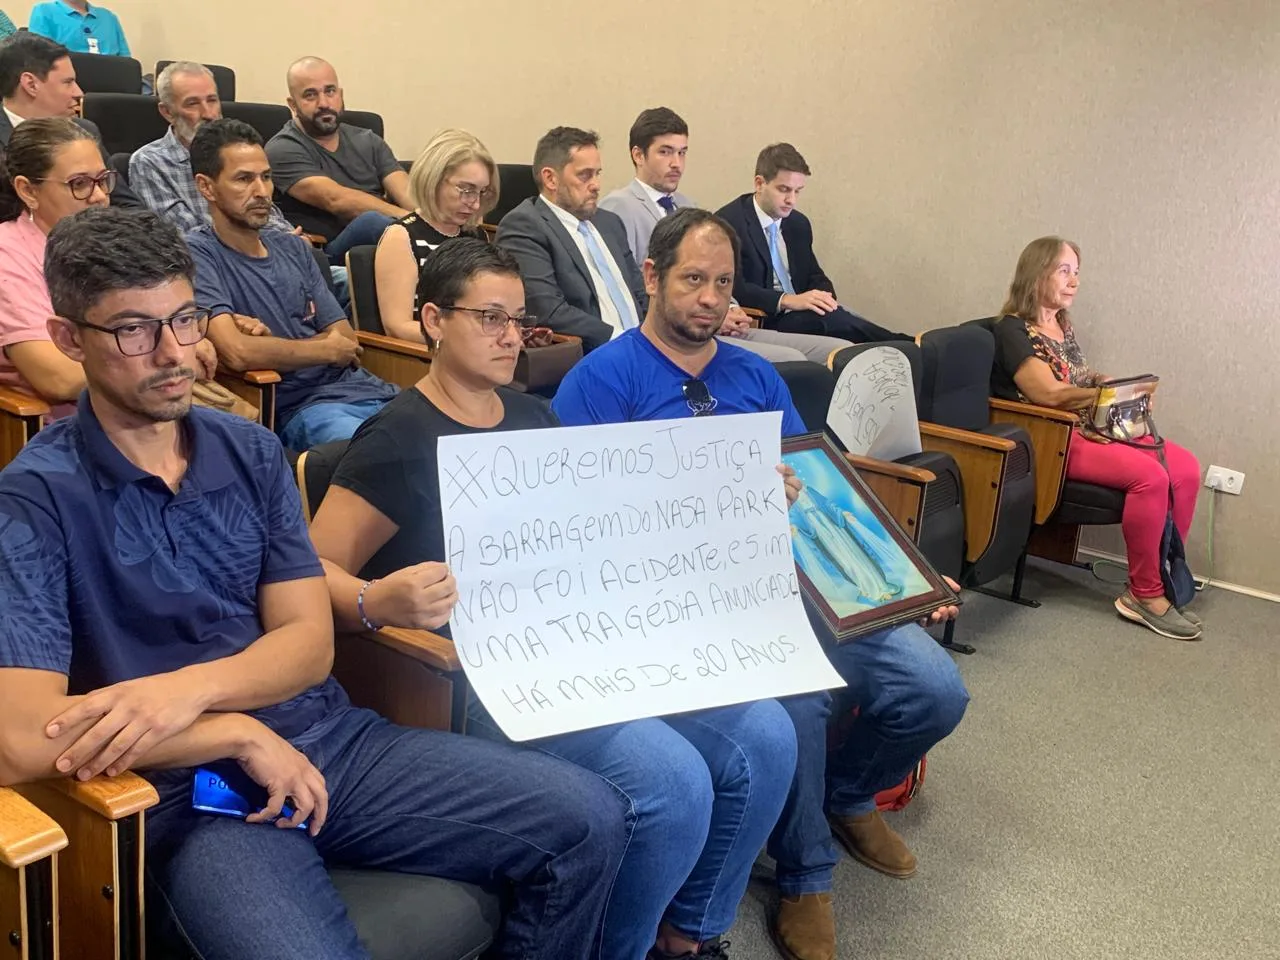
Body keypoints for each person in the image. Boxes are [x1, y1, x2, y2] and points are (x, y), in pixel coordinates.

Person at [0, 205, 627, 960]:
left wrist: (184, 691)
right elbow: (19, 740)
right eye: (134, 330)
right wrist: (231, 728)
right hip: (192, 796)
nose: (174, 353)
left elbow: (308, 645)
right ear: (69, 338)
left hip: (333, 741)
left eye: (186, 319)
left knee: (590, 816)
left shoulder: (250, 451)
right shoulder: (33, 499)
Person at [309, 236, 799, 960]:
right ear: (435, 320)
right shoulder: (398, 436)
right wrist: (380, 597)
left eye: (520, 321)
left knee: (766, 732)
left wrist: (741, 495)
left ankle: (688, 934)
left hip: (577, 643)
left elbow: (601, 528)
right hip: (474, 676)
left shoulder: (533, 419)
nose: (511, 337)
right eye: (490, 319)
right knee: (673, 780)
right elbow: (310, 568)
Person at [552, 207, 970, 960]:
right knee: (800, 699)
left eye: (722, 282)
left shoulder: (754, 374)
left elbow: (818, 491)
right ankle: (807, 874)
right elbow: (586, 529)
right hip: (688, 604)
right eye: (692, 280)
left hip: (795, 580)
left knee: (935, 688)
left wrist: (898, 572)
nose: (710, 298)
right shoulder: (600, 383)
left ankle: (844, 796)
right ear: (651, 277)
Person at [990, 237, 1203, 640]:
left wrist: (1104, 382)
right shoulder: (1012, 330)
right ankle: (1144, 594)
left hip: (1089, 427)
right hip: (1052, 439)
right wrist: (1106, 395)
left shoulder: (1061, 323)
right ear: (1036, 276)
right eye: (1064, 271)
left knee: (1186, 470)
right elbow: (1048, 394)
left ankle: (1163, 569)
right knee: (1150, 478)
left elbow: (1076, 377)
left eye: (1077, 272)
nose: (1074, 282)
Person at [186, 119, 397, 450]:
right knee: (381, 454)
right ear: (206, 187)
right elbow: (237, 352)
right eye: (244, 179)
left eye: (266, 177)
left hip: (370, 391)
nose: (261, 192)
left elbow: (346, 340)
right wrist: (323, 349)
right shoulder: (198, 253)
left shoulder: (295, 247)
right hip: (307, 409)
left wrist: (278, 349)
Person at [0, 117, 220, 420]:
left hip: (147, 403)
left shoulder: (110, 243)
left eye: (103, 180)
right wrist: (180, 358)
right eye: (79, 184)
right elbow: (59, 378)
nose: (100, 196)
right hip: (71, 428)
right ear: (28, 191)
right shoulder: (7, 256)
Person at [601, 107, 847, 365]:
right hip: (678, 329)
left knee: (837, 351)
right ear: (638, 155)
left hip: (721, 321)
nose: (676, 163)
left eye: (682, 152)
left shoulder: (688, 205)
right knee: (792, 359)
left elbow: (712, 273)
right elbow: (631, 286)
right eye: (665, 152)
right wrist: (713, 315)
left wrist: (731, 307)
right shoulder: (618, 207)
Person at [715, 143, 905, 344]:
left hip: (802, 312)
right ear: (760, 184)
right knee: (838, 324)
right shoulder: (727, 224)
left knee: (843, 317)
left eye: (798, 191)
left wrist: (823, 296)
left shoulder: (798, 223)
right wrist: (788, 301)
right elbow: (735, 288)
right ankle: (904, 345)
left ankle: (901, 346)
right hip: (766, 318)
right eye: (784, 190)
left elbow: (813, 275)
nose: (792, 200)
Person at [496, 126, 648, 352]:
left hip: (643, 350)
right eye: (584, 175)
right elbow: (548, 310)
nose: (596, 185)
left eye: (597, 173)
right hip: (592, 356)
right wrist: (624, 343)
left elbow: (640, 294)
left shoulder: (610, 223)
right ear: (550, 179)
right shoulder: (525, 226)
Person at [266, 56, 411, 263]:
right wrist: (410, 222)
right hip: (326, 252)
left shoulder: (368, 139)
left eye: (330, 91)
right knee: (371, 222)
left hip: (387, 240)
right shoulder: (282, 148)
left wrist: (428, 217)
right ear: (293, 104)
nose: (324, 103)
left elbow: (406, 191)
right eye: (310, 95)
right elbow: (337, 200)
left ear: (341, 95)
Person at [130, 61, 293, 234]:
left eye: (212, 100)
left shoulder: (237, 152)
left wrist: (291, 240)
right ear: (167, 112)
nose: (208, 114)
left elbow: (269, 216)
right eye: (192, 103)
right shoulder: (149, 162)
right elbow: (185, 234)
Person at [373, 127, 495, 341]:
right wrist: (464, 339)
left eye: (481, 191)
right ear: (434, 180)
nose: (475, 203)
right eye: (466, 190)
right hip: (428, 358)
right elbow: (397, 327)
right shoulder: (402, 237)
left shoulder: (478, 236)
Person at [0, 32, 142, 207]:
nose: (79, 93)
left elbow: (128, 206)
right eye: (68, 82)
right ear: (30, 84)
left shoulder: (84, 131)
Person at [27, 0, 130, 56]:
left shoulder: (109, 17)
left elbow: (126, 61)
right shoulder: (44, 11)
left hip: (113, 84)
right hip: (68, 86)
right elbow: (40, 59)